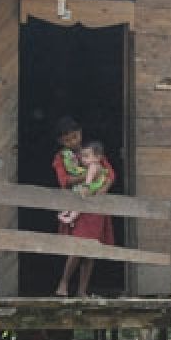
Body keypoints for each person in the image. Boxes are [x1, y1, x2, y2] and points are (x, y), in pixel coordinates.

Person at [51, 116, 116, 297]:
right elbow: (64, 181)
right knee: (78, 246)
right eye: (67, 139)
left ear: (80, 133)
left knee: (90, 251)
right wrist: (89, 175)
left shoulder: (93, 152)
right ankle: (63, 284)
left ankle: (82, 291)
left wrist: (102, 191)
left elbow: (110, 175)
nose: (73, 142)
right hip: (77, 206)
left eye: (75, 136)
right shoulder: (62, 158)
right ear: (60, 142)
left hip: (95, 208)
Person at [58, 141, 110, 226]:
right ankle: (68, 213)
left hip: (91, 188)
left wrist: (86, 186)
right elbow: (75, 171)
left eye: (86, 156)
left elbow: (89, 176)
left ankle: (71, 217)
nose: (83, 159)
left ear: (97, 157)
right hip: (90, 188)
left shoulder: (94, 165)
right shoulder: (88, 167)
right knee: (77, 199)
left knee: (79, 202)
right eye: (82, 157)